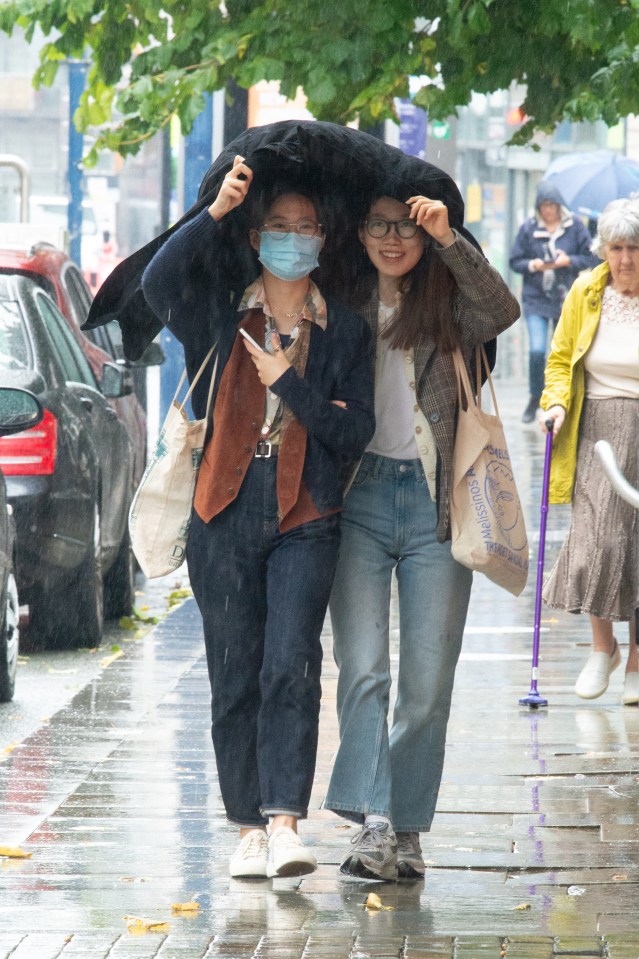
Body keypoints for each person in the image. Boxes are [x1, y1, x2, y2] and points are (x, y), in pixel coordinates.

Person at [140, 156, 375, 880]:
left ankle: (283, 821)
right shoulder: (219, 310)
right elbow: (155, 284)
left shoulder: (344, 330)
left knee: (291, 665)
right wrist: (214, 211)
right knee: (233, 671)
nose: (293, 239)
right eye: (279, 227)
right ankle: (245, 827)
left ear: (322, 238)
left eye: (306, 228)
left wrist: (292, 386)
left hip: (306, 509)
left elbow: (352, 430)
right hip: (224, 503)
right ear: (254, 237)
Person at [324, 193, 520, 880]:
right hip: (358, 500)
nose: (391, 237)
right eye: (377, 223)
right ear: (359, 230)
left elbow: (502, 310)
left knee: (428, 680)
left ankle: (406, 826)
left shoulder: (446, 303)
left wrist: (449, 241)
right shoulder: (339, 300)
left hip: (440, 501)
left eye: (404, 225)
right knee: (363, 667)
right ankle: (375, 822)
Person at [539, 197, 639, 706]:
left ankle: (637, 661)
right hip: (597, 427)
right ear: (603, 249)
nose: (626, 260)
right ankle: (605, 648)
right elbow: (560, 359)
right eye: (617, 248)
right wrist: (554, 404)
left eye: (635, 248)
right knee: (599, 540)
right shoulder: (586, 289)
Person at [509, 182, 597, 423]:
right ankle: (534, 397)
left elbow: (591, 255)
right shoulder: (529, 228)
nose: (548, 210)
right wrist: (533, 265)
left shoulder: (575, 227)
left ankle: (561, 399)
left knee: (562, 352)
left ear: (559, 206)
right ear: (539, 207)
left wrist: (568, 261)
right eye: (544, 206)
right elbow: (515, 260)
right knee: (537, 349)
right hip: (535, 298)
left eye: (552, 205)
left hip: (564, 297)